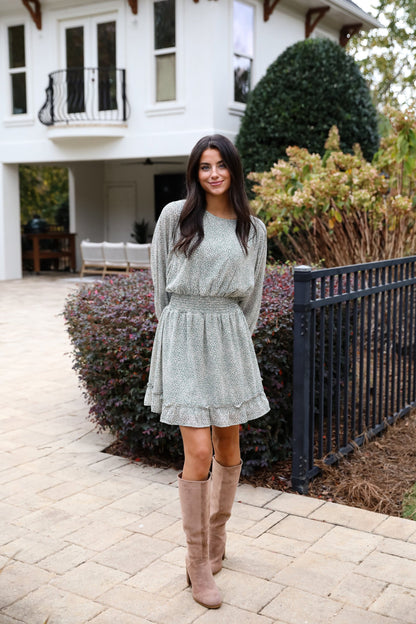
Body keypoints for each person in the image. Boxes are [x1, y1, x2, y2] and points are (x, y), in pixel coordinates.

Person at [144, 134, 270, 609]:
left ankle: (217, 537)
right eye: (204, 166)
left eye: (220, 165)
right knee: (197, 451)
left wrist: (235, 337)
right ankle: (196, 562)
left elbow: (252, 297)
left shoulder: (252, 229)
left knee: (229, 443)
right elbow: (161, 284)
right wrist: (173, 334)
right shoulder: (174, 216)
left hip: (229, 335)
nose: (213, 173)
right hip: (183, 333)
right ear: (195, 173)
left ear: (233, 170)